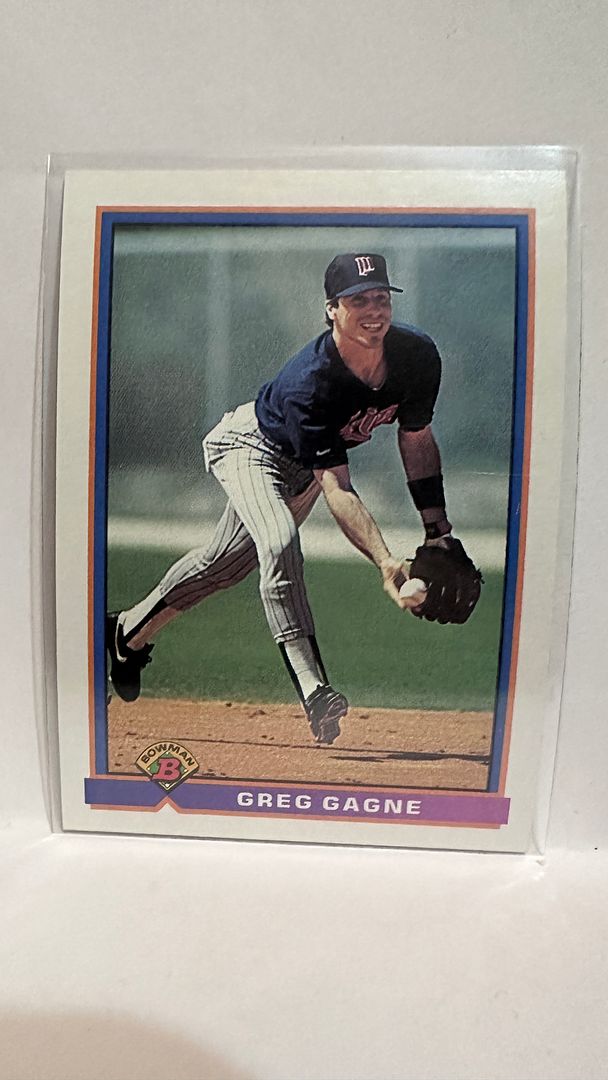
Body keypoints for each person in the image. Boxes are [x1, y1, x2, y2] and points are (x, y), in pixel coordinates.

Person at [107, 252, 460, 746]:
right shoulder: (310, 381)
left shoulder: (416, 355)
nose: (374, 309)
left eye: (381, 297)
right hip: (253, 448)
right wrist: (384, 561)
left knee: (221, 567)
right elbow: (337, 486)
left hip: (305, 470)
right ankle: (315, 691)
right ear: (332, 309)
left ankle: (124, 633)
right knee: (278, 538)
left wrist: (437, 532)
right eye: (358, 299)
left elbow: (416, 438)